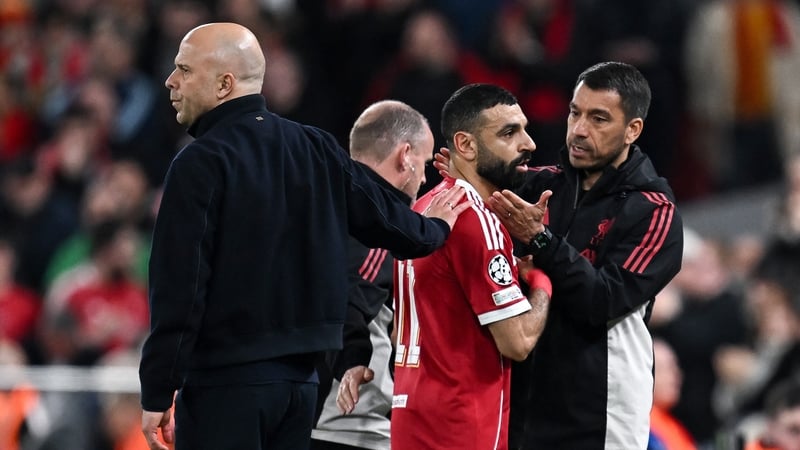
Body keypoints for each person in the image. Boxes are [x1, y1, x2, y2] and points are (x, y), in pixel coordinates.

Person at [138, 22, 469, 450]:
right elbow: (388, 222)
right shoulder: (317, 147)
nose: (171, 80)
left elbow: (180, 286)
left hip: (226, 385)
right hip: (302, 392)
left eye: (184, 69)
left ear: (224, 84)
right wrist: (436, 227)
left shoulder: (200, 163)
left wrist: (159, 388)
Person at [451, 61, 683, 448]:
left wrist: (540, 240)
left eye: (599, 118)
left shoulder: (653, 211)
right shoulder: (542, 186)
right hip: (523, 405)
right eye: (575, 112)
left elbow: (603, 300)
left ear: (633, 130)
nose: (578, 129)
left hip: (599, 414)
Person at [387, 83, 552, 450]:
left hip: (410, 413)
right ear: (465, 145)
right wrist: (543, 281)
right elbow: (518, 342)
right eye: (509, 132)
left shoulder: (424, 209)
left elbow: (400, 329)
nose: (529, 143)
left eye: (524, 128)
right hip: (463, 421)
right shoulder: (477, 220)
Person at [310, 100, 434, 450]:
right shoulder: (378, 225)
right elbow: (350, 301)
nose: (425, 178)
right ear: (405, 156)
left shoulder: (320, 201)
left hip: (301, 414)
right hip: (346, 425)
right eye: (424, 163)